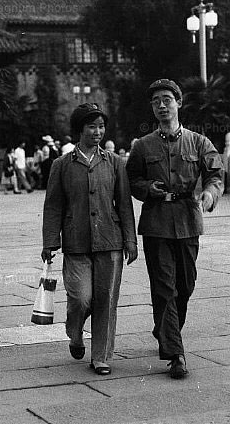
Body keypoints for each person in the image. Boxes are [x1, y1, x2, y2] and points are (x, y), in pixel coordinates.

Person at [126, 79, 224, 379]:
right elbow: (132, 181)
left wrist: (209, 194)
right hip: (156, 224)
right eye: (156, 101)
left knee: (186, 285)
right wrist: (147, 189)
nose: (161, 105)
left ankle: (163, 330)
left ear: (179, 103)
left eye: (167, 99)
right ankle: (175, 353)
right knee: (164, 288)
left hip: (188, 219)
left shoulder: (199, 142)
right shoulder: (142, 146)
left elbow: (216, 175)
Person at [41, 102, 138, 375]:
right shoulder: (61, 165)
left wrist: (130, 240)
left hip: (110, 240)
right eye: (91, 127)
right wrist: (50, 241)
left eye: (101, 126)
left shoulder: (115, 163)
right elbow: (53, 206)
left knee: (106, 299)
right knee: (81, 298)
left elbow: (125, 204)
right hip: (76, 242)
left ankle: (101, 356)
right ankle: (74, 332)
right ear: (79, 130)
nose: (98, 132)